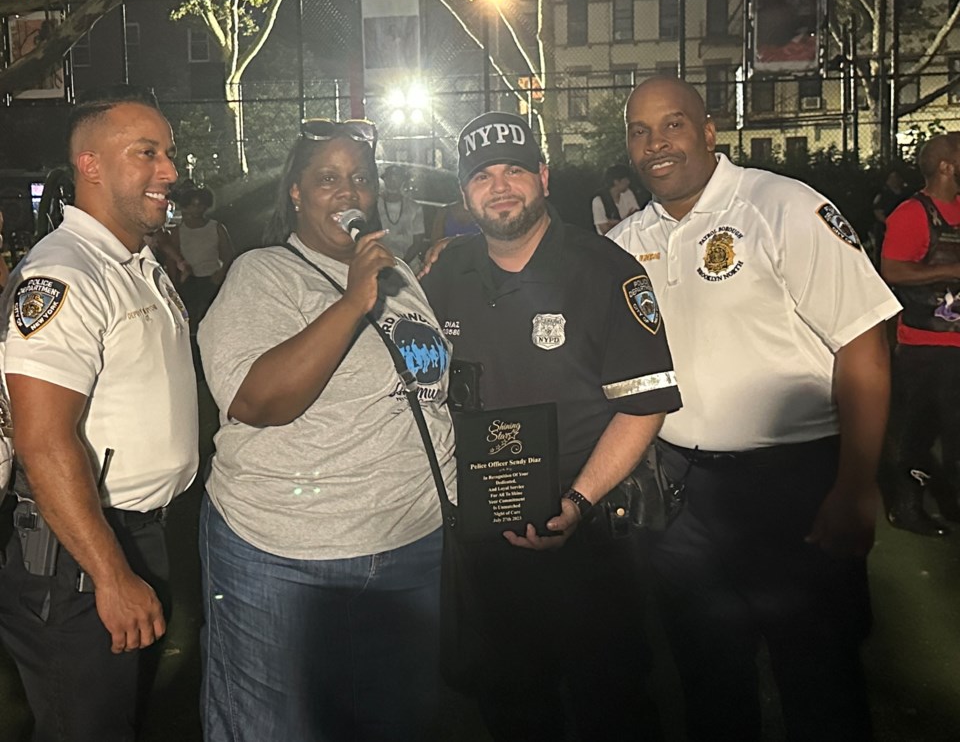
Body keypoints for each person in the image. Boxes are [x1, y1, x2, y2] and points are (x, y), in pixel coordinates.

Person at [609, 77, 899, 742]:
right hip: (682, 494)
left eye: (673, 124)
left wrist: (856, 485)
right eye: (640, 131)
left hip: (796, 485)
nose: (656, 144)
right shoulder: (625, 242)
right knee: (709, 680)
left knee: (819, 677)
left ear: (710, 131)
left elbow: (864, 345)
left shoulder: (783, 206)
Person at [420, 111, 682, 742]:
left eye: (514, 169)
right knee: (511, 702)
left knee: (612, 700)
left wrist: (576, 502)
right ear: (464, 194)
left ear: (543, 176)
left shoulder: (605, 270)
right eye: (482, 175)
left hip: (589, 536)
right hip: (483, 540)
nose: (500, 186)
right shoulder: (443, 276)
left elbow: (643, 405)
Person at [197, 118, 456, 742]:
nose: (348, 193)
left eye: (361, 179)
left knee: (395, 723)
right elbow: (257, 401)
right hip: (287, 560)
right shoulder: (262, 274)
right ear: (295, 192)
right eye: (328, 179)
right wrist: (351, 302)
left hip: (411, 548)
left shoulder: (399, 276)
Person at [0, 85, 199, 742]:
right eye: (148, 153)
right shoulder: (63, 275)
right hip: (77, 556)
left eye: (168, 153)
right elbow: (42, 439)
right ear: (90, 164)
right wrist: (110, 574)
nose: (170, 170)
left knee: (121, 719)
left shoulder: (135, 262)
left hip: (131, 538)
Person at [880, 133, 960, 535]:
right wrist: (949, 271)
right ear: (946, 166)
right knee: (920, 431)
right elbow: (893, 271)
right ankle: (906, 505)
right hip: (928, 346)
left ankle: (950, 497)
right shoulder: (913, 213)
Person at [166, 186, 234, 328]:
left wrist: (220, 274)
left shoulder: (216, 228)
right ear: (186, 207)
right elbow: (172, 259)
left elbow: (228, 255)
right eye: (192, 205)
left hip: (212, 279)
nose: (196, 209)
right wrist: (174, 282)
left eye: (200, 205)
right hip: (189, 281)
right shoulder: (179, 231)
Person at [377, 164, 426, 263]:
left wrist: (402, 264)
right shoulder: (374, 205)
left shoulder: (414, 208)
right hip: (379, 261)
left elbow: (418, 242)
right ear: (384, 180)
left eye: (397, 178)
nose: (393, 182)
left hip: (408, 263)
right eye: (389, 178)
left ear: (403, 181)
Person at [870, 168, 908, 262]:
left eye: (896, 178)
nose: (894, 180)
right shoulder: (882, 195)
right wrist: (889, 223)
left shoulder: (906, 195)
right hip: (884, 228)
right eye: (892, 178)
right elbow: (877, 211)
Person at [590, 163, 637, 235]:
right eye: (626, 180)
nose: (628, 182)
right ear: (616, 181)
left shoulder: (628, 194)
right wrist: (626, 220)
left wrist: (613, 223)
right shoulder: (599, 201)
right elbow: (605, 231)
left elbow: (636, 217)